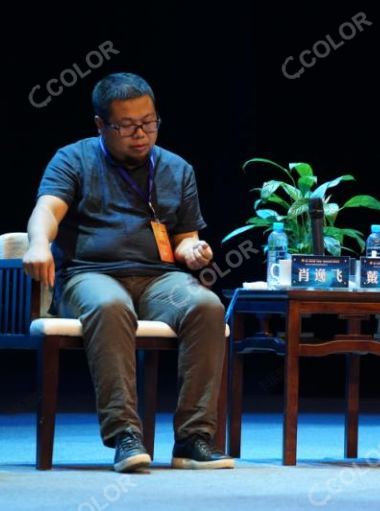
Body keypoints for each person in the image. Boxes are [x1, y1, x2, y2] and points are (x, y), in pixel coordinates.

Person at [22, 72, 234, 472]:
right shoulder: (74, 159)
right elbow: (47, 210)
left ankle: (193, 439)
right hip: (91, 274)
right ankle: (125, 435)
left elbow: (183, 238)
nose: (141, 134)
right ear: (101, 125)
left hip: (158, 279)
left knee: (206, 306)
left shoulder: (176, 168)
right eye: (127, 126)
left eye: (149, 122)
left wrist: (194, 249)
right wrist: (37, 244)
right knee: (110, 305)